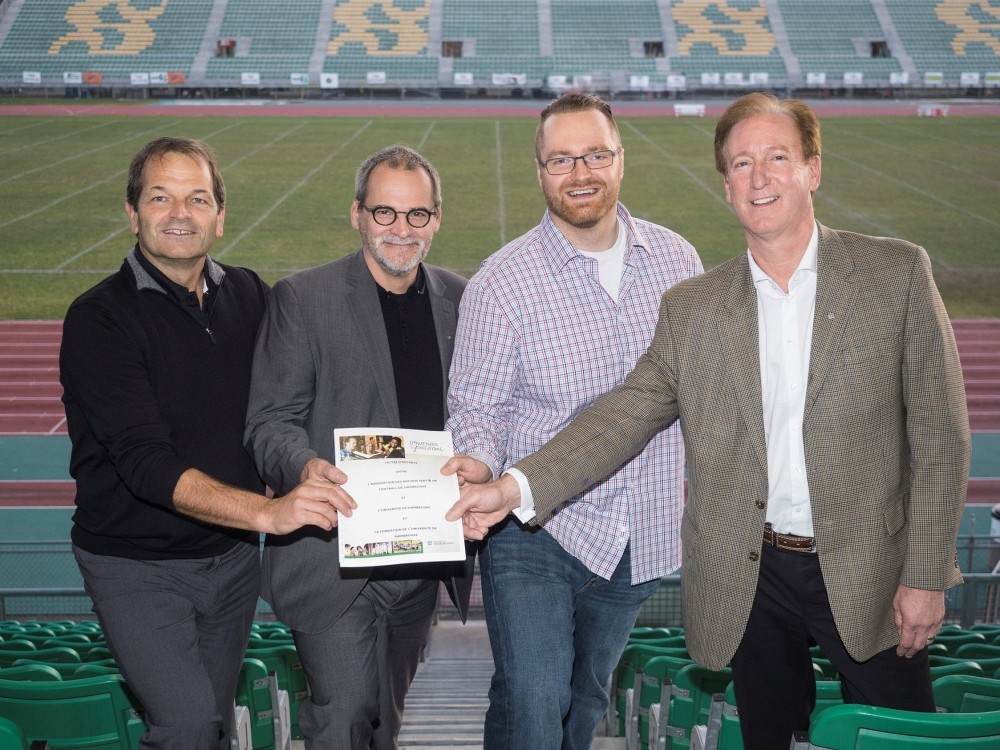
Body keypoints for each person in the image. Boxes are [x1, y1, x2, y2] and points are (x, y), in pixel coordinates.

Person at [446, 92, 971, 750]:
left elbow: (941, 440)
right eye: (742, 163)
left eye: (777, 157)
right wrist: (510, 488)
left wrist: (924, 574)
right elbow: (624, 414)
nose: (759, 176)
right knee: (751, 735)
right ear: (726, 186)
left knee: (903, 738)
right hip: (753, 577)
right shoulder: (697, 304)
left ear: (812, 167)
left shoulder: (893, 273)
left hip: (869, 570)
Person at [59, 137, 349, 750]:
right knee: (188, 727)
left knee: (210, 720)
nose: (180, 213)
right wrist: (271, 511)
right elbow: (144, 464)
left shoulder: (248, 293)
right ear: (132, 212)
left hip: (232, 561)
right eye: (160, 197)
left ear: (221, 214)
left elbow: (289, 402)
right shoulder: (99, 319)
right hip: (135, 564)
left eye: (197, 198)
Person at [442, 92, 702, 749]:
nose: (579, 172)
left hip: (638, 528)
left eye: (595, 155)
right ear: (538, 172)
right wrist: (476, 462)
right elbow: (476, 403)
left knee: (582, 703)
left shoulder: (678, 261)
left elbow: (702, 389)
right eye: (561, 159)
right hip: (537, 531)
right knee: (536, 698)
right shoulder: (501, 281)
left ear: (621, 161)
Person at [244, 144, 475, 750]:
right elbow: (270, 422)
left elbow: (481, 415)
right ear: (357, 215)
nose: (401, 229)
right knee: (342, 718)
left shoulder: (462, 298)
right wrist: (304, 466)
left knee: (384, 722)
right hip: (335, 562)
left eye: (416, 214)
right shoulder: (303, 299)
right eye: (385, 213)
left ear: (437, 219)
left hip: (419, 562)